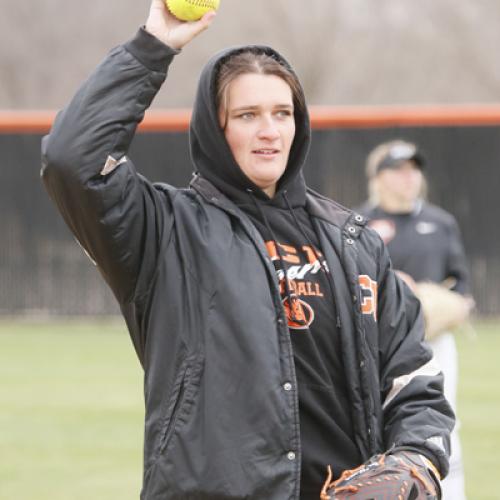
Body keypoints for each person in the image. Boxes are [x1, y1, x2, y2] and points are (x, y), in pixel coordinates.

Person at [41, 2, 454, 498]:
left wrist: (417, 457)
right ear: (217, 130)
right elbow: (72, 159)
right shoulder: (166, 231)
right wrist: (153, 45)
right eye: (247, 115)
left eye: (282, 113)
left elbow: (412, 375)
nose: (269, 131)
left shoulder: (353, 241)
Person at [358, 139, 474, 500]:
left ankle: (447, 493)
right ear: (378, 177)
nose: (409, 177)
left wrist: (448, 303)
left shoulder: (440, 223)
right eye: (398, 169)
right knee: (379, 418)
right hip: (380, 339)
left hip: (433, 339)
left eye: (413, 169)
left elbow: (462, 286)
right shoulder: (358, 224)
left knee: (441, 417)